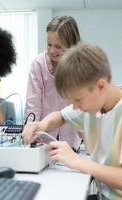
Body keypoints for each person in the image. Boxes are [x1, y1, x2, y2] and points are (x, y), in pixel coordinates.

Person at [23, 43, 122, 199]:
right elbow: (60, 116)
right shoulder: (94, 104)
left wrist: (78, 162)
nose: (75, 106)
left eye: (78, 99)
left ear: (101, 86)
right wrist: (41, 125)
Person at [25, 16, 81, 150]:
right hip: (43, 137)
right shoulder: (38, 64)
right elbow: (33, 104)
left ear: (71, 46)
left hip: (71, 138)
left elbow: (82, 107)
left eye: (58, 46)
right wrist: (30, 129)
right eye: (49, 44)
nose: (52, 51)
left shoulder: (79, 67)